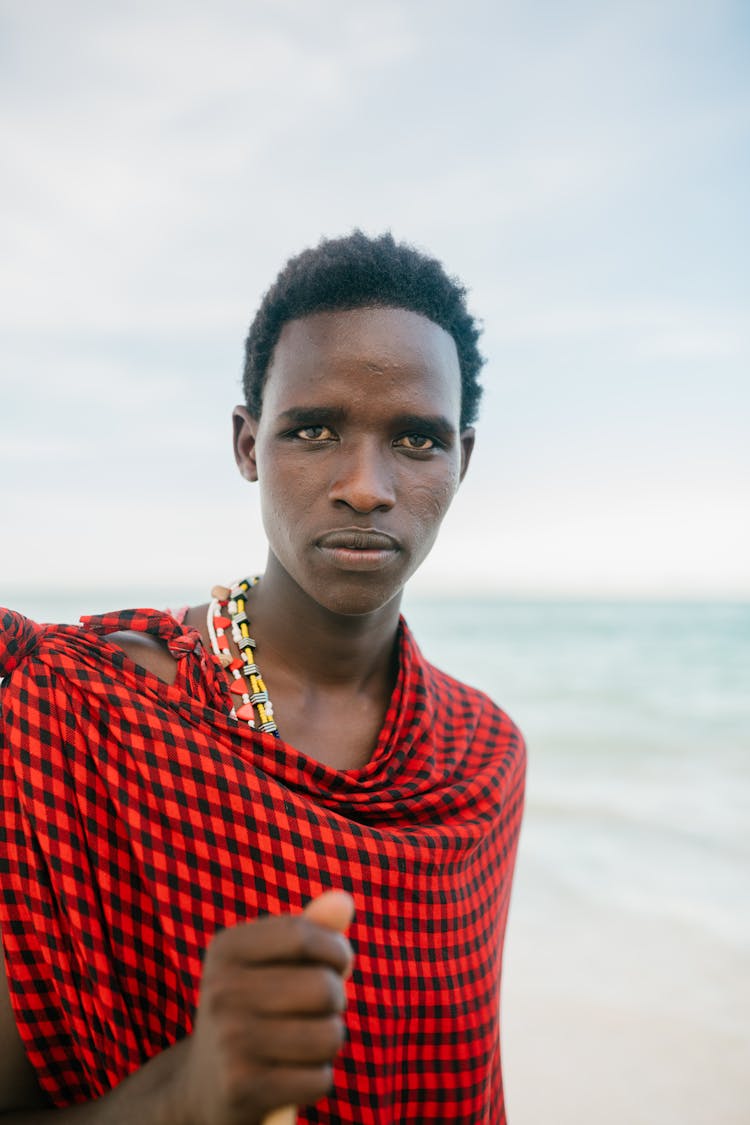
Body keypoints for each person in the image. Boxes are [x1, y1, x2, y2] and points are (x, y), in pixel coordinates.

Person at [0, 232, 526, 1124]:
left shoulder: (482, 761)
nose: (366, 485)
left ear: (461, 463)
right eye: (313, 429)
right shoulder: (83, 713)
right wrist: (182, 1096)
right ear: (249, 444)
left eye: (416, 438)